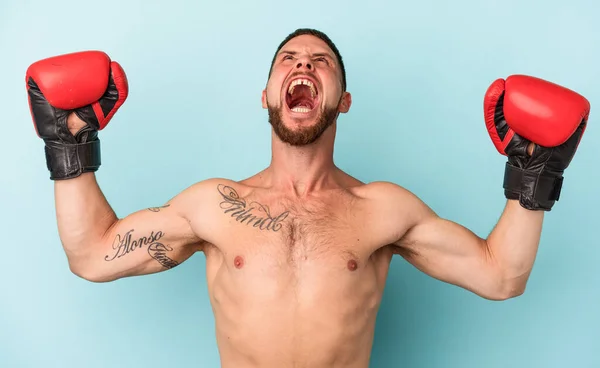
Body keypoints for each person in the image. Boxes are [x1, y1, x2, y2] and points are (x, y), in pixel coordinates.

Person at [25, 28, 590, 368]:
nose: (303, 65)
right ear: (267, 95)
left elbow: (501, 276)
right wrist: (69, 147)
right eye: (289, 60)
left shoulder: (383, 210)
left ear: (342, 100)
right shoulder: (213, 206)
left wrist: (531, 177)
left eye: (321, 62)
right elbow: (92, 256)